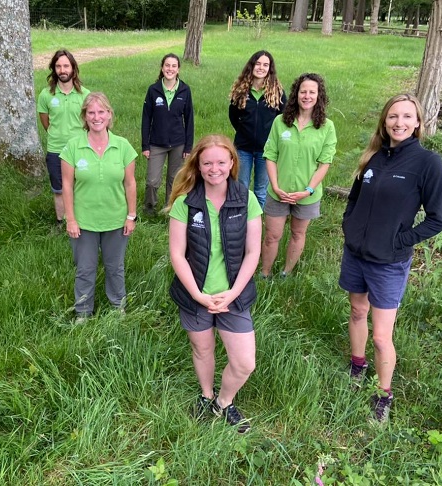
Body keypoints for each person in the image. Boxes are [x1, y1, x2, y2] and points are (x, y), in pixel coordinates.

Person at [339, 94, 442, 422]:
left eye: (406, 117)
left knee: (381, 335)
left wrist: (399, 241)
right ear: (384, 122)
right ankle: (358, 366)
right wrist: (350, 225)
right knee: (357, 310)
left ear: (417, 124)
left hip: (389, 261)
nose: (398, 123)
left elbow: (436, 219)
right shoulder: (373, 156)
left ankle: (383, 395)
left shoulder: (427, 163)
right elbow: (355, 198)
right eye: (392, 117)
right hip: (356, 252)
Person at [168, 134, 262, 434]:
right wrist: (197, 294)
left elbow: (253, 251)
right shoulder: (186, 202)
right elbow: (177, 254)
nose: (214, 168)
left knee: (245, 363)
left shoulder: (246, 198)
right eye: (207, 162)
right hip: (195, 293)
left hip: (233, 294)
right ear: (197, 164)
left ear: (232, 163)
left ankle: (224, 402)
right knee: (202, 350)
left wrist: (233, 293)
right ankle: (207, 396)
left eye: (221, 162)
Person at [61, 92, 137, 319]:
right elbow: (66, 185)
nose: (96, 117)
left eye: (101, 112)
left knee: (116, 268)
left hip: (115, 218)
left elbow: (130, 183)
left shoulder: (123, 146)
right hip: (84, 221)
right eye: (91, 112)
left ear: (109, 114)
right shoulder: (73, 147)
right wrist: (71, 219)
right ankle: (83, 311)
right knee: (85, 269)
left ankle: (117, 307)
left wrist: (131, 216)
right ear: (84, 116)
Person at [261, 73, 337, 278]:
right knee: (271, 235)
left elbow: (324, 163)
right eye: (303, 91)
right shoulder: (280, 122)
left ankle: (286, 273)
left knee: (298, 233)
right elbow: (270, 156)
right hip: (279, 191)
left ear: (319, 96)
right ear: (296, 94)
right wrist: (275, 186)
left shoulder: (327, 127)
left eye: (312, 92)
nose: (307, 96)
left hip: (307, 194)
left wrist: (308, 190)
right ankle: (264, 274)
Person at [38, 49, 91, 226]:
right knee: (59, 189)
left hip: (80, 149)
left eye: (66, 66)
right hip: (56, 149)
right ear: (54, 69)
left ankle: (80, 220)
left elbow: (90, 121)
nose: (62, 70)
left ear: (73, 68)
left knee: (81, 187)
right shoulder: (46, 95)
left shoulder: (85, 95)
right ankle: (62, 222)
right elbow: (45, 122)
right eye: (58, 66)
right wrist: (58, 134)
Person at [228, 50, 287, 208]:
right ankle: (240, 219)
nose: (261, 67)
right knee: (242, 186)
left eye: (265, 65)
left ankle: (257, 223)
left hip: (266, 150)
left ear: (270, 68)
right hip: (243, 148)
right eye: (258, 64)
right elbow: (233, 116)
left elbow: (284, 118)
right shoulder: (241, 90)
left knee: (261, 190)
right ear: (252, 66)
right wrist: (244, 131)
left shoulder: (277, 92)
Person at [141, 53, 194, 215]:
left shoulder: (185, 90)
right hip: (157, 143)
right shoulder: (153, 90)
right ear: (162, 68)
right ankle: (149, 208)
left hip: (178, 143)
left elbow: (190, 119)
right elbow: (146, 118)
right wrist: (145, 145)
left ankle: (170, 208)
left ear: (178, 69)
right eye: (167, 65)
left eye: (173, 66)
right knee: (152, 181)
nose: (170, 69)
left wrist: (188, 147)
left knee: (174, 179)